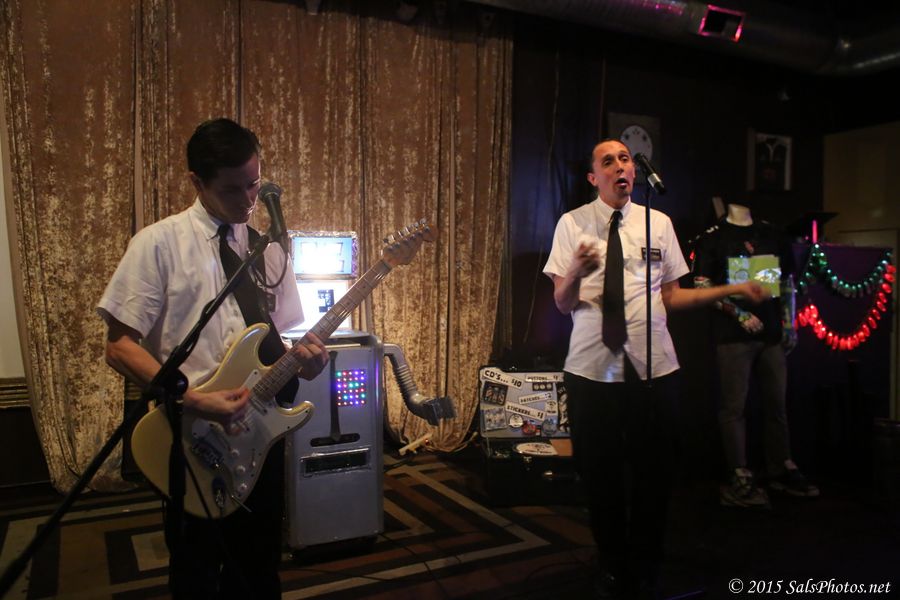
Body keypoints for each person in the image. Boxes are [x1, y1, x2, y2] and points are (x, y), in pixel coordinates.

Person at [97, 118, 329, 598]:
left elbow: (279, 339)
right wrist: (194, 399)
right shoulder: (159, 244)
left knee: (259, 569)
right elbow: (119, 346)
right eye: (231, 190)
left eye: (254, 184)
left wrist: (304, 360)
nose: (247, 201)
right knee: (196, 573)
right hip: (192, 435)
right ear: (196, 183)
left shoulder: (268, 250)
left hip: (261, 430)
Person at [543, 140, 769, 599]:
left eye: (626, 159)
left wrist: (731, 289)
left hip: (655, 369)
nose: (620, 166)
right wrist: (576, 271)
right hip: (592, 370)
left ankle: (647, 563)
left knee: (655, 475)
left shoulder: (658, 223)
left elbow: (673, 297)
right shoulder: (573, 223)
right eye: (608, 161)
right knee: (601, 475)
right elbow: (562, 303)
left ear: (635, 172)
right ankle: (612, 563)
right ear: (594, 178)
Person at [692, 202, 819, 508]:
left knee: (777, 405)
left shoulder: (772, 234)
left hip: (771, 334)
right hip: (733, 336)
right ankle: (739, 472)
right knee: (734, 407)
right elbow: (701, 285)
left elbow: (786, 282)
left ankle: (781, 465)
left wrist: (789, 323)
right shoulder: (713, 237)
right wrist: (738, 314)